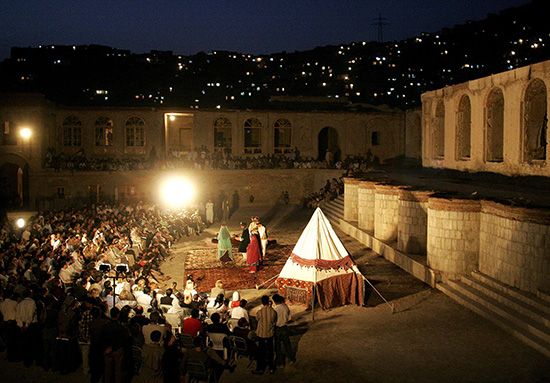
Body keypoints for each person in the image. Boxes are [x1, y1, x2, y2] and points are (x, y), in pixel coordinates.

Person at [253, 295, 277, 375]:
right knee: (270, 352)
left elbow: (257, 319)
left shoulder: (259, 312)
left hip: (261, 335)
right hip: (270, 334)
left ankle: (260, 368)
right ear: (268, 302)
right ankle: (271, 368)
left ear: (262, 302)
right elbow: (274, 321)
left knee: (261, 352)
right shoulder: (273, 312)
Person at [272, 294, 296, 367]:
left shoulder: (275, 309)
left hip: (277, 329)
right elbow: (289, 319)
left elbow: (273, 320)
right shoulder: (285, 307)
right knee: (287, 345)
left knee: (278, 346)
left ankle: (280, 362)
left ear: (275, 301)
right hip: (284, 328)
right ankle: (291, 359)